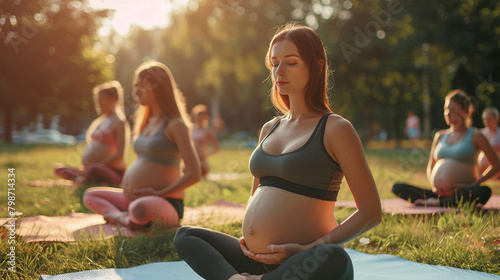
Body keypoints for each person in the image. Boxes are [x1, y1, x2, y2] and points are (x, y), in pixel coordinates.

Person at [174, 23, 382, 280]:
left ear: (317, 66)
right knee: (186, 236)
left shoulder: (335, 128)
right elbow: (257, 194)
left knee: (334, 257)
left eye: (291, 62)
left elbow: (371, 212)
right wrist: (252, 237)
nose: (279, 71)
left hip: (305, 263)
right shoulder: (269, 128)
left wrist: (307, 248)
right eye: (274, 63)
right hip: (256, 260)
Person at [82, 61, 201, 229]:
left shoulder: (176, 125)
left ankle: (127, 218)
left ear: (158, 88)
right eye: (135, 85)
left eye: (142, 85)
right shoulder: (146, 122)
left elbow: (194, 174)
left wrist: (159, 193)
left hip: (165, 201)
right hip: (134, 198)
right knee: (90, 196)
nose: (136, 91)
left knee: (140, 209)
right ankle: (123, 217)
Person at [393, 90, 499, 207]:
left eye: (452, 110)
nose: (448, 113)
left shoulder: (476, 135)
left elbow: (496, 165)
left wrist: (474, 184)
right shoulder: (440, 136)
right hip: (438, 193)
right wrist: (435, 187)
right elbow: (430, 167)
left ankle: (438, 203)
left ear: (465, 111)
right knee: (398, 187)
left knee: (484, 191)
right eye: (446, 109)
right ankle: (440, 201)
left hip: (463, 193)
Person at [54, 81, 129, 186]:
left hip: (112, 170)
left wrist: (99, 164)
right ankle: (84, 176)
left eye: (101, 101)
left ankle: (84, 177)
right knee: (59, 169)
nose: (98, 104)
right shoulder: (100, 122)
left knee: (94, 169)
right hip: (90, 168)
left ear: (112, 100)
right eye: (97, 101)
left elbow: (119, 153)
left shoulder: (119, 122)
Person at [191, 104, 220, 177]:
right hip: (190, 158)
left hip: (201, 159)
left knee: (201, 171)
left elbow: (216, 148)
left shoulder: (208, 131)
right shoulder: (190, 129)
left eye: (201, 116)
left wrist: (205, 154)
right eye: (198, 116)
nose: (199, 118)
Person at [478, 106, 500, 178]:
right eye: (485, 120)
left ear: (496, 119)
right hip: (482, 166)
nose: (487, 122)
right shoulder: (481, 133)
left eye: (489, 119)